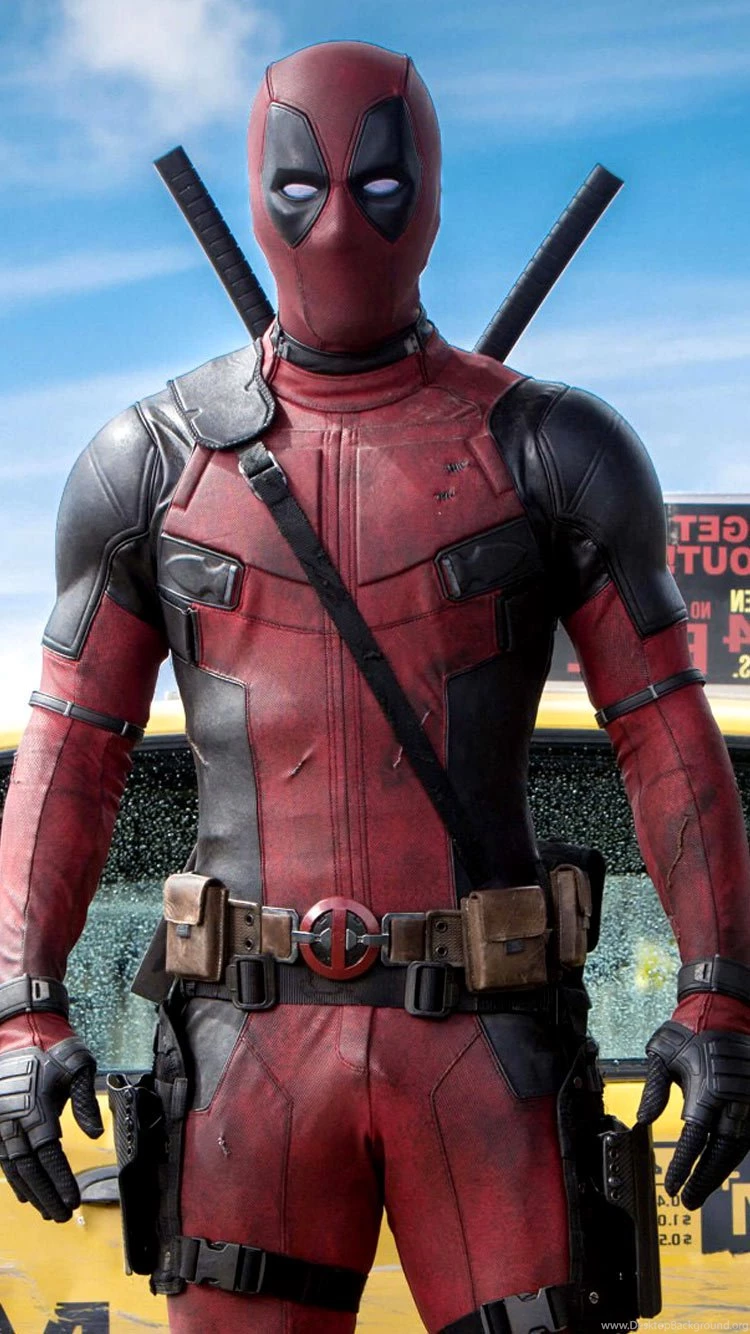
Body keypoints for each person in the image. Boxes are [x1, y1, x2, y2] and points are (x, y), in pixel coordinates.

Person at [0, 39, 749, 1334]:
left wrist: (718, 990)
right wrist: (23, 1006)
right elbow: (68, 755)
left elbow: (666, 739)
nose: (341, 224)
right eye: (303, 190)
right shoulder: (151, 466)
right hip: (259, 1058)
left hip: (475, 1050)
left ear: (433, 197)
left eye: (380, 186)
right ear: (258, 197)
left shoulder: (552, 450)